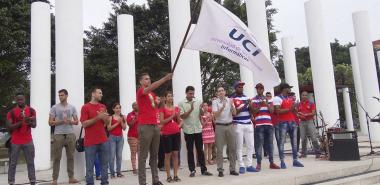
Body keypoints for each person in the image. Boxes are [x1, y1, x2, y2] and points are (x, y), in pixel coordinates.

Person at [137, 73, 172, 185]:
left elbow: (157, 108)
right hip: (145, 125)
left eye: (149, 78)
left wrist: (160, 102)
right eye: (146, 79)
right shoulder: (141, 91)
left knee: (154, 155)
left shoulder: (151, 94)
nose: (149, 80)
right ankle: (142, 182)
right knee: (143, 156)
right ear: (140, 82)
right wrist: (164, 79)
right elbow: (152, 87)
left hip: (155, 125)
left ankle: (155, 180)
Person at [179, 86, 213, 177]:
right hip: (188, 130)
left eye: (193, 93)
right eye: (190, 93)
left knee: (200, 150)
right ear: (186, 93)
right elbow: (182, 116)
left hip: (198, 129)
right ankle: (192, 170)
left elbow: (201, 114)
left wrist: (201, 108)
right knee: (190, 151)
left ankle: (203, 170)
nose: (192, 95)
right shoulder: (181, 103)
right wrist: (191, 109)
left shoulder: (198, 101)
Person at [49, 89, 80, 185]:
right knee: (57, 157)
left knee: (71, 157)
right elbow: (50, 122)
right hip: (58, 135)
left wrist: (70, 121)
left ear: (66, 96)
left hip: (70, 134)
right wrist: (61, 121)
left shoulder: (72, 107)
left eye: (62, 95)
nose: (60, 97)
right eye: (59, 95)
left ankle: (71, 178)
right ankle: (54, 179)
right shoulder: (54, 107)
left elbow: (76, 121)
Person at [80, 87, 110, 185]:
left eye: (102, 93)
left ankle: (104, 183)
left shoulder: (103, 106)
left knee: (105, 165)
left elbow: (106, 124)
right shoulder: (85, 107)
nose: (102, 95)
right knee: (89, 167)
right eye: (99, 93)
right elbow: (84, 124)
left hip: (103, 140)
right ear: (93, 94)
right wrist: (98, 117)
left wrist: (105, 118)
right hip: (90, 142)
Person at [6, 92, 37, 185]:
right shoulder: (11, 112)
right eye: (18, 99)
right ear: (16, 100)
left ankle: (32, 181)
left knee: (30, 162)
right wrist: (21, 122)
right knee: (12, 163)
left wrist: (29, 120)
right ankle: (11, 182)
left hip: (28, 140)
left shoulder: (31, 110)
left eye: (21, 99)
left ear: (25, 99)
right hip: (15, 141)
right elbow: (9, 127)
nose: (19, 101)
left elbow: (35, 125)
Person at [273, 83, 304, 169]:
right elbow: (277, 111)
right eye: (288, 88)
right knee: (282, 142)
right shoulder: (277, 98)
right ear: (284, 89)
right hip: (283, 122)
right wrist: (290, 109)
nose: (290, 90)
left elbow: (292, 111)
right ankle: (282, 161)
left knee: (294, 143)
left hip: (292, 122)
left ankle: (295, 160)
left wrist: (296, 110)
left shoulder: (289, 98)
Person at [251, 83, 280, 171]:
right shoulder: (253, 100)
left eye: (261, 88)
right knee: (259, 145)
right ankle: (259, 164)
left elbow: (272, 111)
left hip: (269, 124)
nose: (259, 90)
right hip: (259, 125)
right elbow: (254, 112)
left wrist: (266, 104)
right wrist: (260, 104)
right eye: (258, 88)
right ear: (256, 90)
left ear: (263, 90)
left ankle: (271, 163)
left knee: (270, 144)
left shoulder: (269, 100)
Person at [230, 81, 257, 174]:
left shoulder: (246, 97)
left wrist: (250, 105)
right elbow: (235, 113)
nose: (241, 88)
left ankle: (249, 165)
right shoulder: (232, 98)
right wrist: (245, 104)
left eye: (242, 87)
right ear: (235, 88)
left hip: (249, 123)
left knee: (250, 145)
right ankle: (241, 165)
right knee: (240, 146)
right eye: (239, 87)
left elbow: (252, 112)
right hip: (238, 124)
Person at [212, 86, 239, 177]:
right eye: (219, 91)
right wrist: (222, 107)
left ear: (225, 92)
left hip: (230, 125)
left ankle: (232, 169)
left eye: (222, 90)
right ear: (217, 93)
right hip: (220, 126)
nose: (221, 92)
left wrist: (231, 105)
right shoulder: (215, 102)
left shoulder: (230, 100)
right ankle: (220, 170)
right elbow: (215, 115)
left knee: (232, 148)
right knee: (219, 149)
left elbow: (234, 113)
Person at [159, 91, 182, 183]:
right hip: (166, 134)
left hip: (176, 133)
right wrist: (171, 116)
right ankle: (168, 176)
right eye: (168, 96)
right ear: (165, 98)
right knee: (168, 155)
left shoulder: (176, 108)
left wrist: (179, 123)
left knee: (176, 154)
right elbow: (162, 122)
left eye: (171, 96)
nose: (170, 98)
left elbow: (179, 120)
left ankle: (176, 175)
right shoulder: (162, 108)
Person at [297, 91, 321, 158]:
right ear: (301, 96)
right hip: (301, 122)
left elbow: (313, 113)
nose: (304, 96)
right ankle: (304, 153)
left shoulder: (311, 103)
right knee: (303, 138)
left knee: (313, 137)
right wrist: (299, 115)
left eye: (305, 95)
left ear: (307, 96)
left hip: (309, 121)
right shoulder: (299, 104)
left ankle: (318, 153)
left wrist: (306, 114)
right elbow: (297, 113)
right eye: (303, 95)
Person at [107, 103, 127, 178]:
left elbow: (124, 128)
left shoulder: (123, 117)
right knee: (112, 156)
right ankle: (112, 173)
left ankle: (119, 172)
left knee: (119, 156)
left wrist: (121, 121)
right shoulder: (110, 117)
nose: (118, 109)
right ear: (113, 109)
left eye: (119, 108)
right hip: (112, 138)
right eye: (116, 108)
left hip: (120, 138)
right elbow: (109, 128)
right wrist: (117, 123)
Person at [126, 102, 139, 174]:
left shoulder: (142, 114)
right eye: (133, 105)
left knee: (141, 153)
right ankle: (134, 169)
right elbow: (129, 124)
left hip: (141, 137)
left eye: (136, 105)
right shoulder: (130, 115)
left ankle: (141, 168)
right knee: (133, 152)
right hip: (132, 136)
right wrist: (135, 118)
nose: (135, 106)